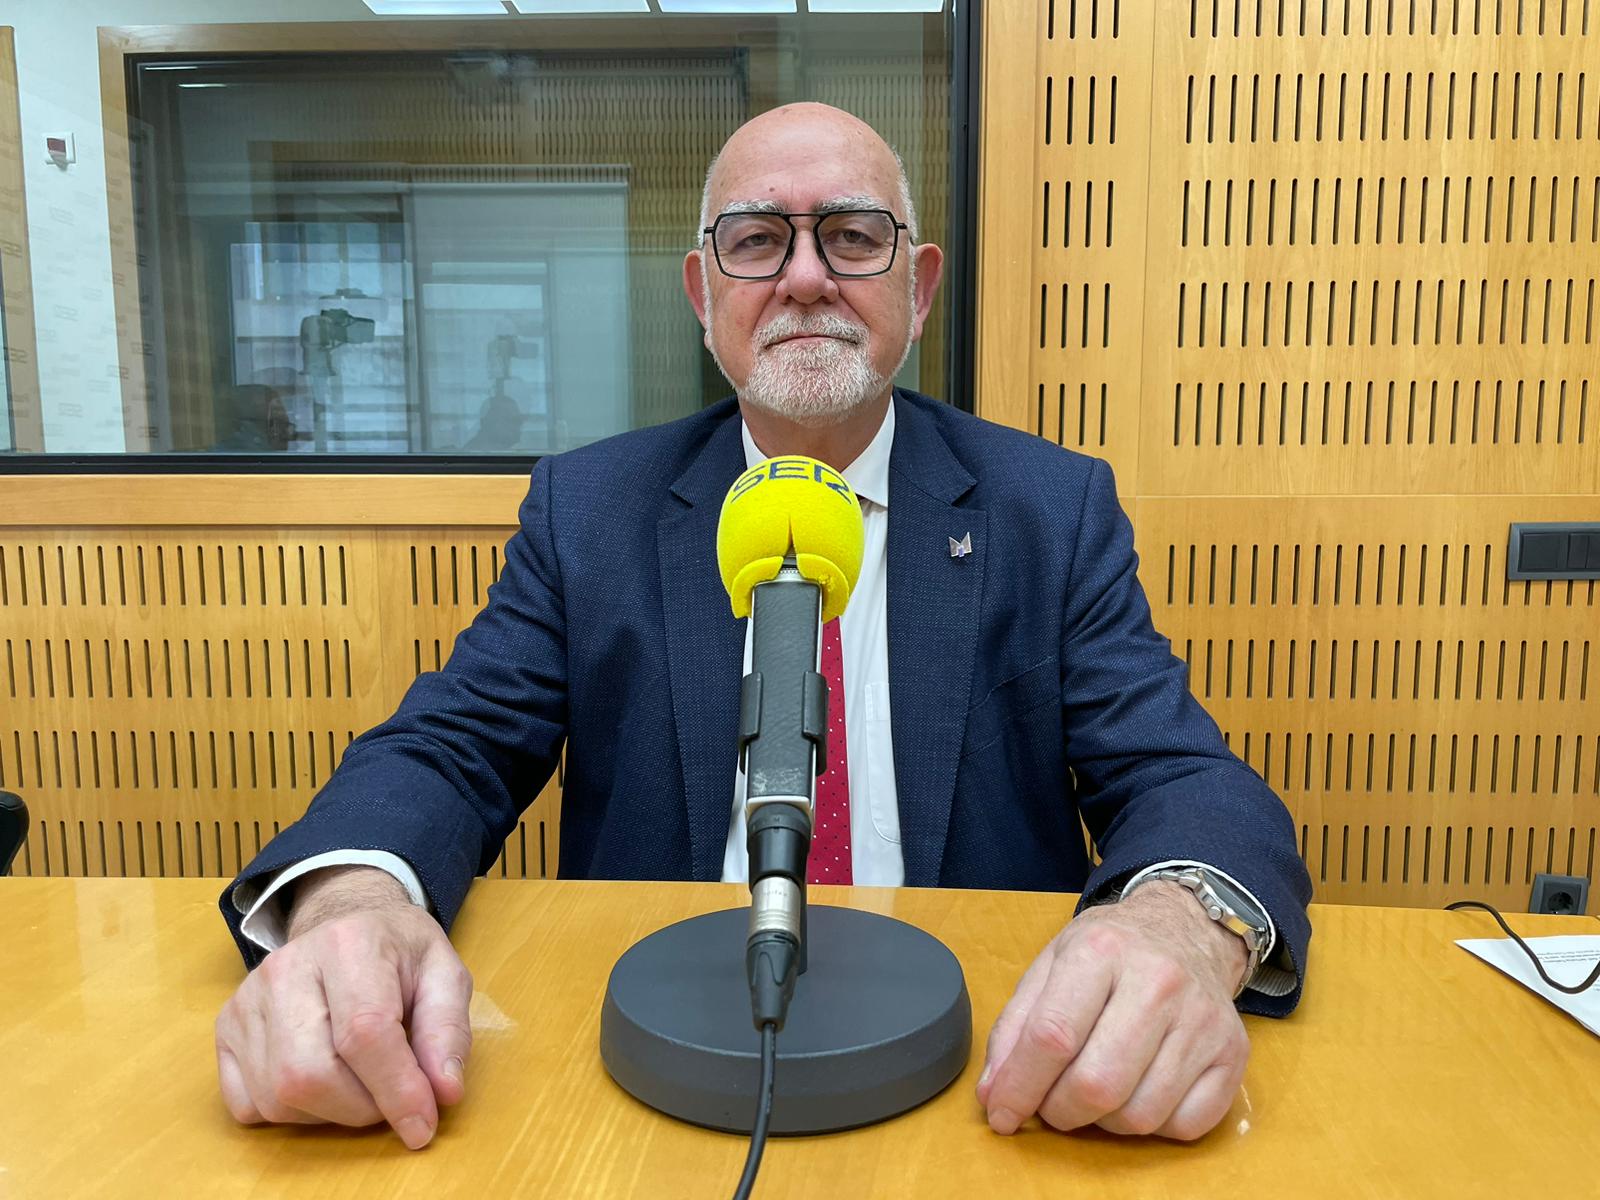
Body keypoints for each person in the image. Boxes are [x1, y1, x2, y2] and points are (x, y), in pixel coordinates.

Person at [214, 102, 1312, 1153]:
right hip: (652, 1063)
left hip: (990, 1062)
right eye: (754, 241)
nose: (802, 276)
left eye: (850, 235)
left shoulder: (1047, 509)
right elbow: (448, 748)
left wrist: (1175, 924)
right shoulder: (591, 511)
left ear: (918, 286)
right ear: (702, 291)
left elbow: (1178, 775)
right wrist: (351, 903)